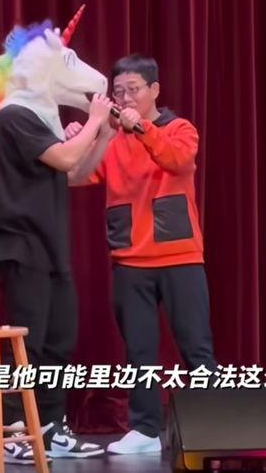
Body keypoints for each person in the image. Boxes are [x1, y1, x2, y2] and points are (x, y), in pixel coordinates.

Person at [0, 15, 113, 464]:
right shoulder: (15, 114)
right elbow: (65, 158)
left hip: (52, 247)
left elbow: (74, 172)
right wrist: (93, 121)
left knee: (59, 340)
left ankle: (51, 427)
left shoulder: (42, 120)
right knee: (28, 344)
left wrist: (102, 133)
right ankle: (15, 432)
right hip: (22, 245)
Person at [67, 54, 217, 454]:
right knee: (139, 351)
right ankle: (146, 431)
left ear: (154, 90)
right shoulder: (112, 140)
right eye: (118, 91)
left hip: (180, 256)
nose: (125, 98)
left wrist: (142, 128)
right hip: (129, 260)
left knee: (196, 347)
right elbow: (76, 176)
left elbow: (176, 159)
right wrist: (83, 137)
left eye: (133, 89)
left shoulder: (179, 128)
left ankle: (214, 424)